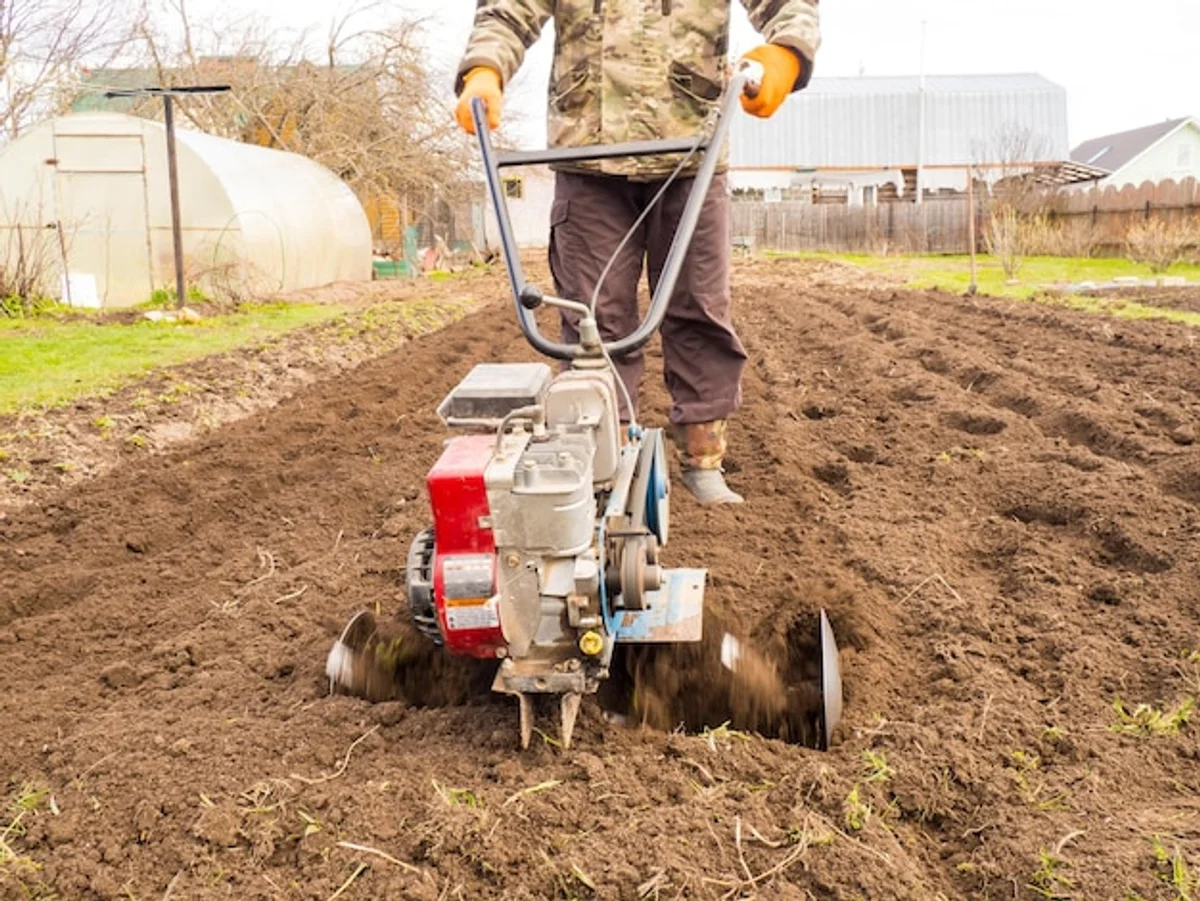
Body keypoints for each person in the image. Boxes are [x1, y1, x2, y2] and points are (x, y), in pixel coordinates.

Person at [454, 0, 820, 504]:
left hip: (692, 148)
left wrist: (785, 53)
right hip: (585, 151)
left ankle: (703, 456)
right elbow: (508, 10)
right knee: (592, 318)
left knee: (699, 308)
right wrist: (485, 68)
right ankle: (608, 458)